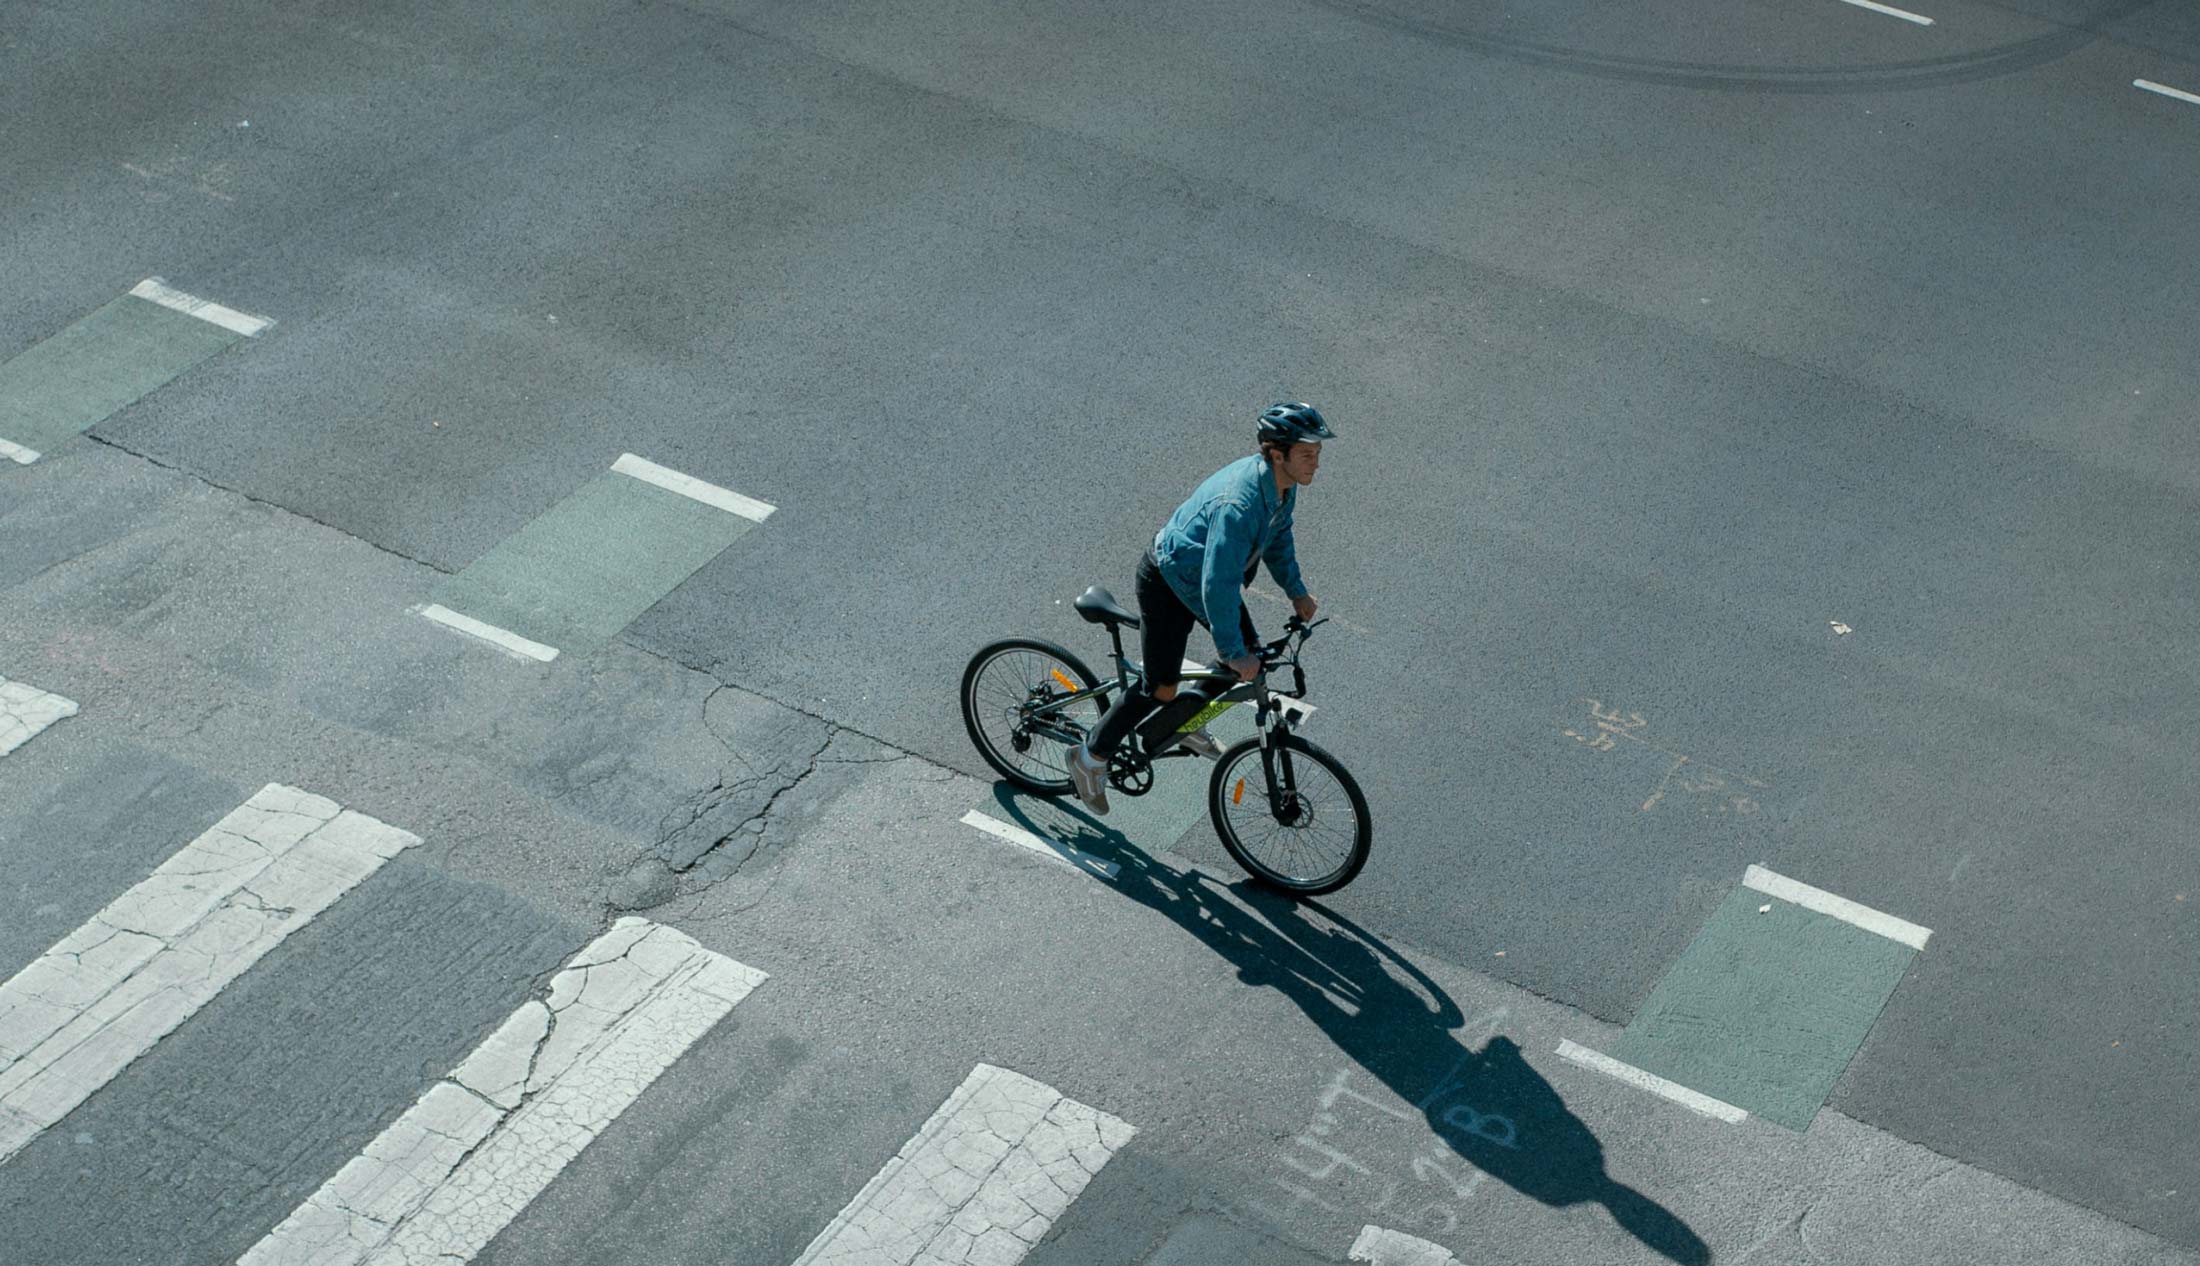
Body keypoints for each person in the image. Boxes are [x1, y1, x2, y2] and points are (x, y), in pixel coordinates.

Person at [1067, 402, 1331, 814]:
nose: (1316, 464)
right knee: (1161, 686)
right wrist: (1232, 650)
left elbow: (1278, 539)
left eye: (1317, 453)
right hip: (1169, 581)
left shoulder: (1282, 486)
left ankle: (1179, 722)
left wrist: (1296, 592)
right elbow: (1217, 584)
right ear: (1276, 454)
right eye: (1307, 455)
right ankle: (1089, 756)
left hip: (1204, 580)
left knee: (1248, 657)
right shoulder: (1239, 506)